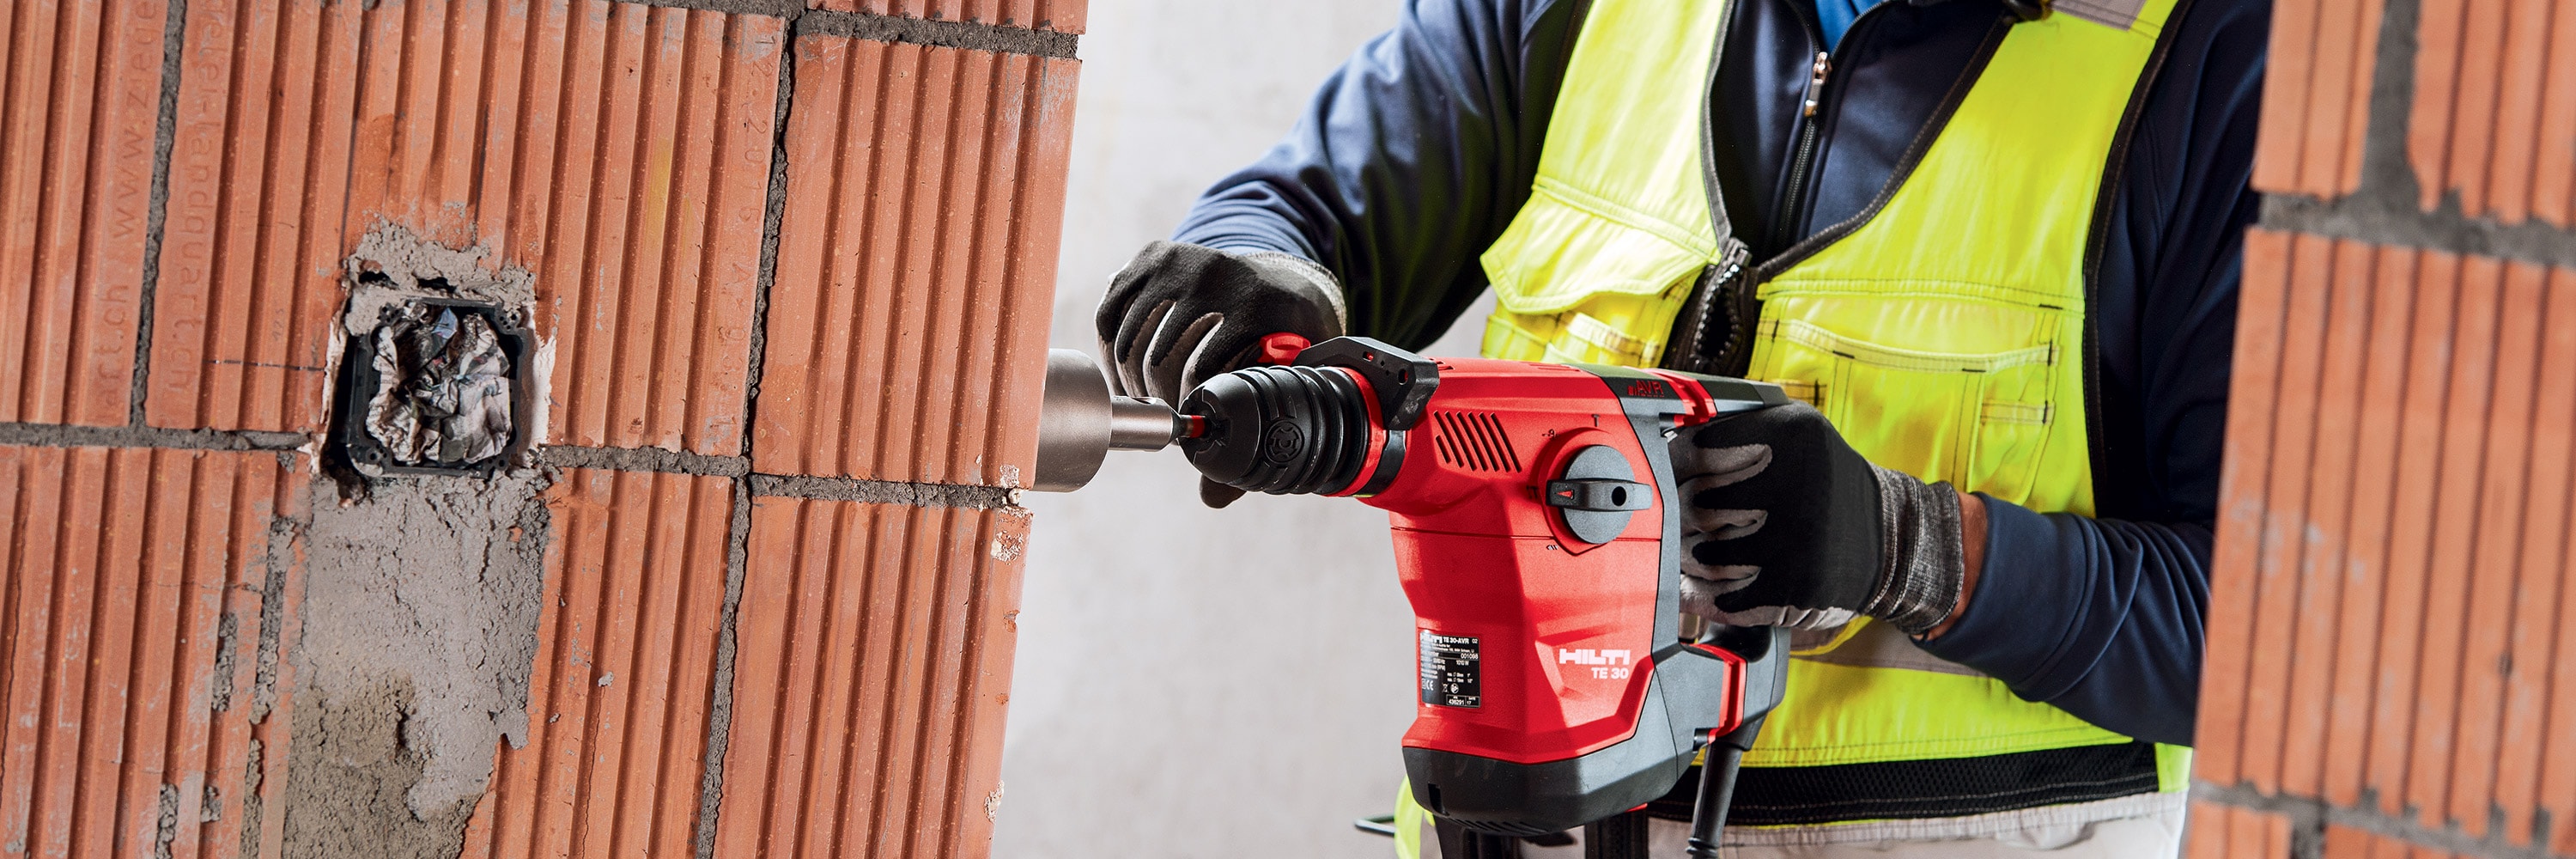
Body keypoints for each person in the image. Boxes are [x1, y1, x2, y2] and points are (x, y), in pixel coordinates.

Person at [1095, 0, 2265, 855]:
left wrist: (1917, 549)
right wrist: (1259, 264)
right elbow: (1308, 208)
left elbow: (2264, 648)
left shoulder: (2219, 65)